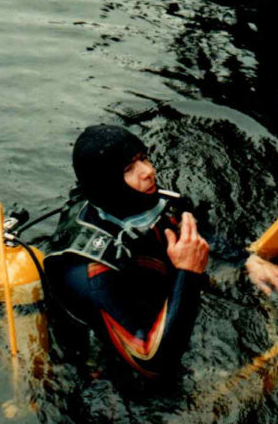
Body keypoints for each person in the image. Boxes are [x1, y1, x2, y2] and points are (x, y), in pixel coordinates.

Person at [44, 125, 210, 378]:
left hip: (143, 284)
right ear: (107, 183)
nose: (149, 171)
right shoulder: (92, 274)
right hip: (104, 347)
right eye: (128, 169)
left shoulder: (138, 199)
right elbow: (150, 363)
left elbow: (196, 233)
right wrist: (187, 273)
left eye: (143, 158)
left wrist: (247, 260)